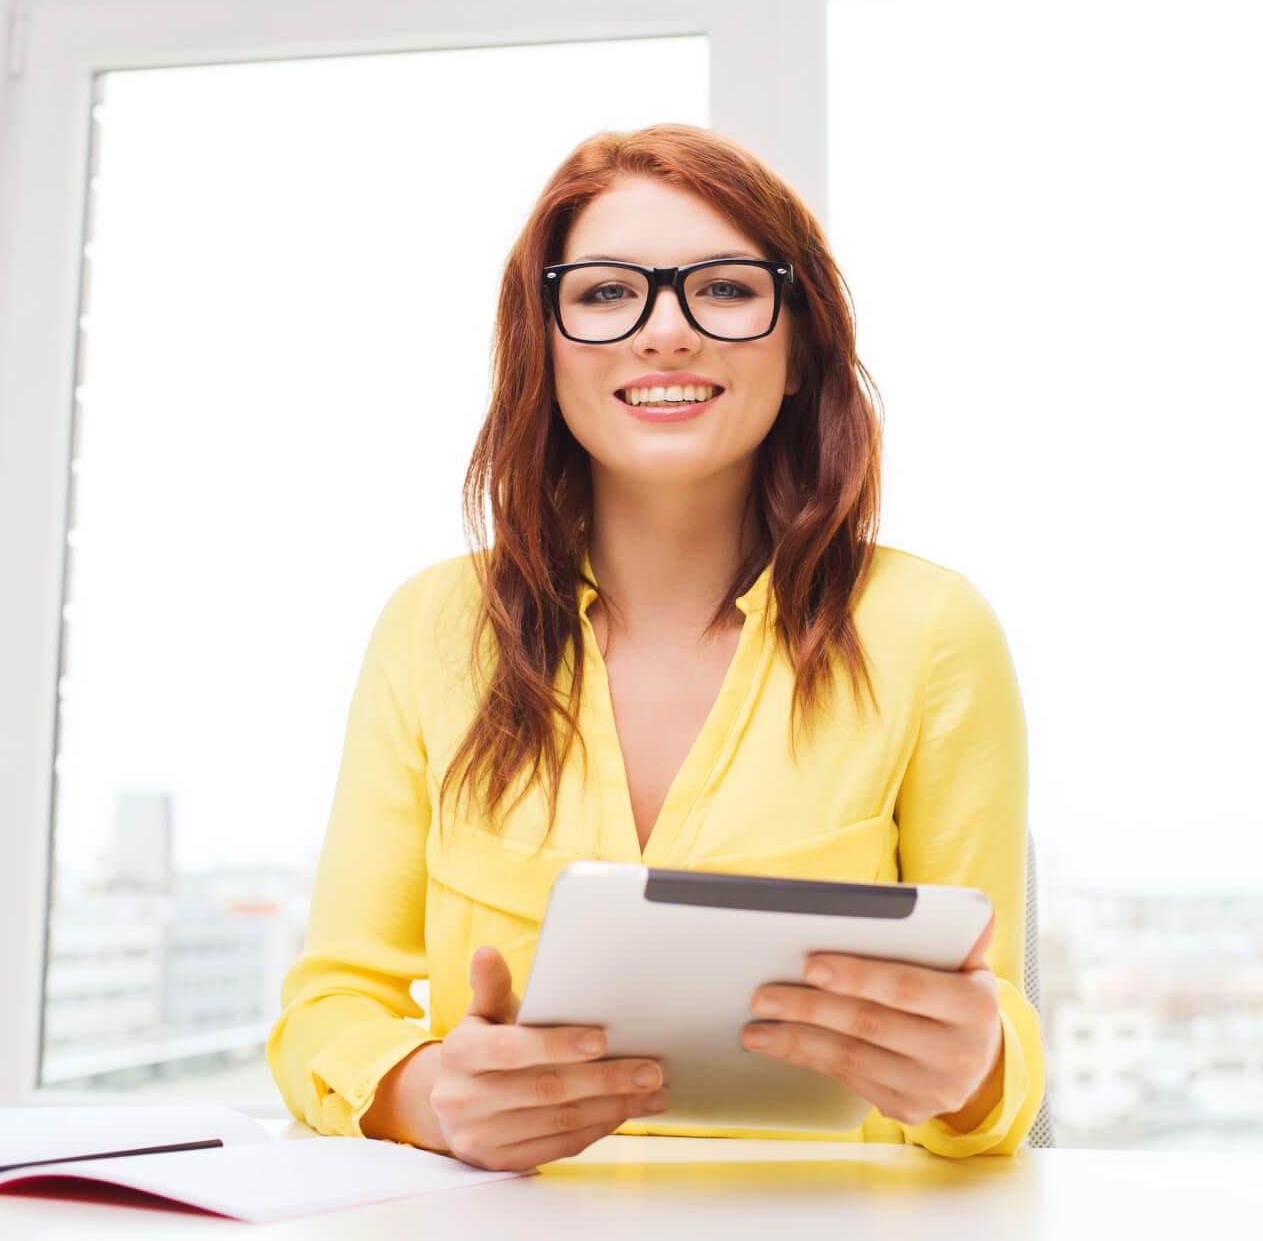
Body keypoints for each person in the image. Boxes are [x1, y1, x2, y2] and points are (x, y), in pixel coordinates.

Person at [266, 123, 1043, 1171]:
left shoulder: (930, 630)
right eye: (602, 294)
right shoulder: (430, 629)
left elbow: (992, 1016)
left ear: (801, 345)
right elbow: (330, 1003)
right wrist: (429, 1095)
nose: (664, 332)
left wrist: (975, 1068)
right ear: (541, 347)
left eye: (723, 288)